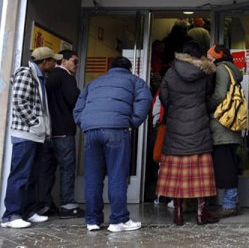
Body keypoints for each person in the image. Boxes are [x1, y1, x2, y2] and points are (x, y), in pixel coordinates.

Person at [73, 56, 152, 232]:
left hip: (91, 131)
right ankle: (118, 220)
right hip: (116, 129)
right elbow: (144, 101)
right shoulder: (135, 81)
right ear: (129, 68)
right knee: (117, 175)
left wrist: (85, 123)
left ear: (110, 68)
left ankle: (92, 220)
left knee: (93, 177)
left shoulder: (94, 83)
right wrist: (131, 122)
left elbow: (78, 108)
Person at [156, 41, 219, 226]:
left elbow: (164, 98)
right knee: (200, 175)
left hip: (176, 129)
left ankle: (178, 214)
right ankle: (201, 214)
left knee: (177, 178)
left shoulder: (170, 72)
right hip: (198, 127)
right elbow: (208, 94)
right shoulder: (204, 73)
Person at [1, 47, 62, 229]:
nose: (55, 64)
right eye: (53, 61)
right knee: (20, 175)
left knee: (33, 175)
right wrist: (35, 123)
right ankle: (11, 215)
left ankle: (28, 211)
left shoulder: (40, 77)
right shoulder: (26, 74)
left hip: (36, 136)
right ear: (44, 62)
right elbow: (19, 101)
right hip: (26, 135)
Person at [37, 50, 84, 219]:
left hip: (47, 132)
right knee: (67, 169)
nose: (77, 66)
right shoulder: (66, 77)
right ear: (63, 61)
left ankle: (44, 204)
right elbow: (74, 100)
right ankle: (67, 205)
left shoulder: (48, 78)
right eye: (74, 61)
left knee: (47, 170)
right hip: (63, 131)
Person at [207, 45, 244, 218]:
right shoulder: (234, 70)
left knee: (225, 166)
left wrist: (206, 105)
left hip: (222, 124)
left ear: (219, 55)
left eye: (210, 55)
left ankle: (229, 204)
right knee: (229, 164)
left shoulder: (222, 69)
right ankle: (230, 202)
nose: (208, 58)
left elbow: (220, 95)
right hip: (231, 124)